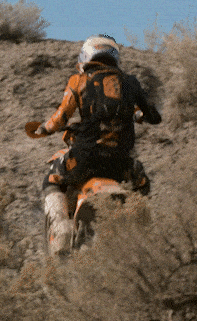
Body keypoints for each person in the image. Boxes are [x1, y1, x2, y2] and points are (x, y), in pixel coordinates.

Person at [35, 34, 161, 255]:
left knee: (53, 178)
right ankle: (146, 236)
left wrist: (43, 129)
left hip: (85, 158)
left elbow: (61, 118)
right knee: (142, 183)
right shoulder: (131, 83)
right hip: (121, 163)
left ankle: (61, 232)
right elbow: (153, 117)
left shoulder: (79, 81)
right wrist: (139, 115)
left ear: (87, 56)